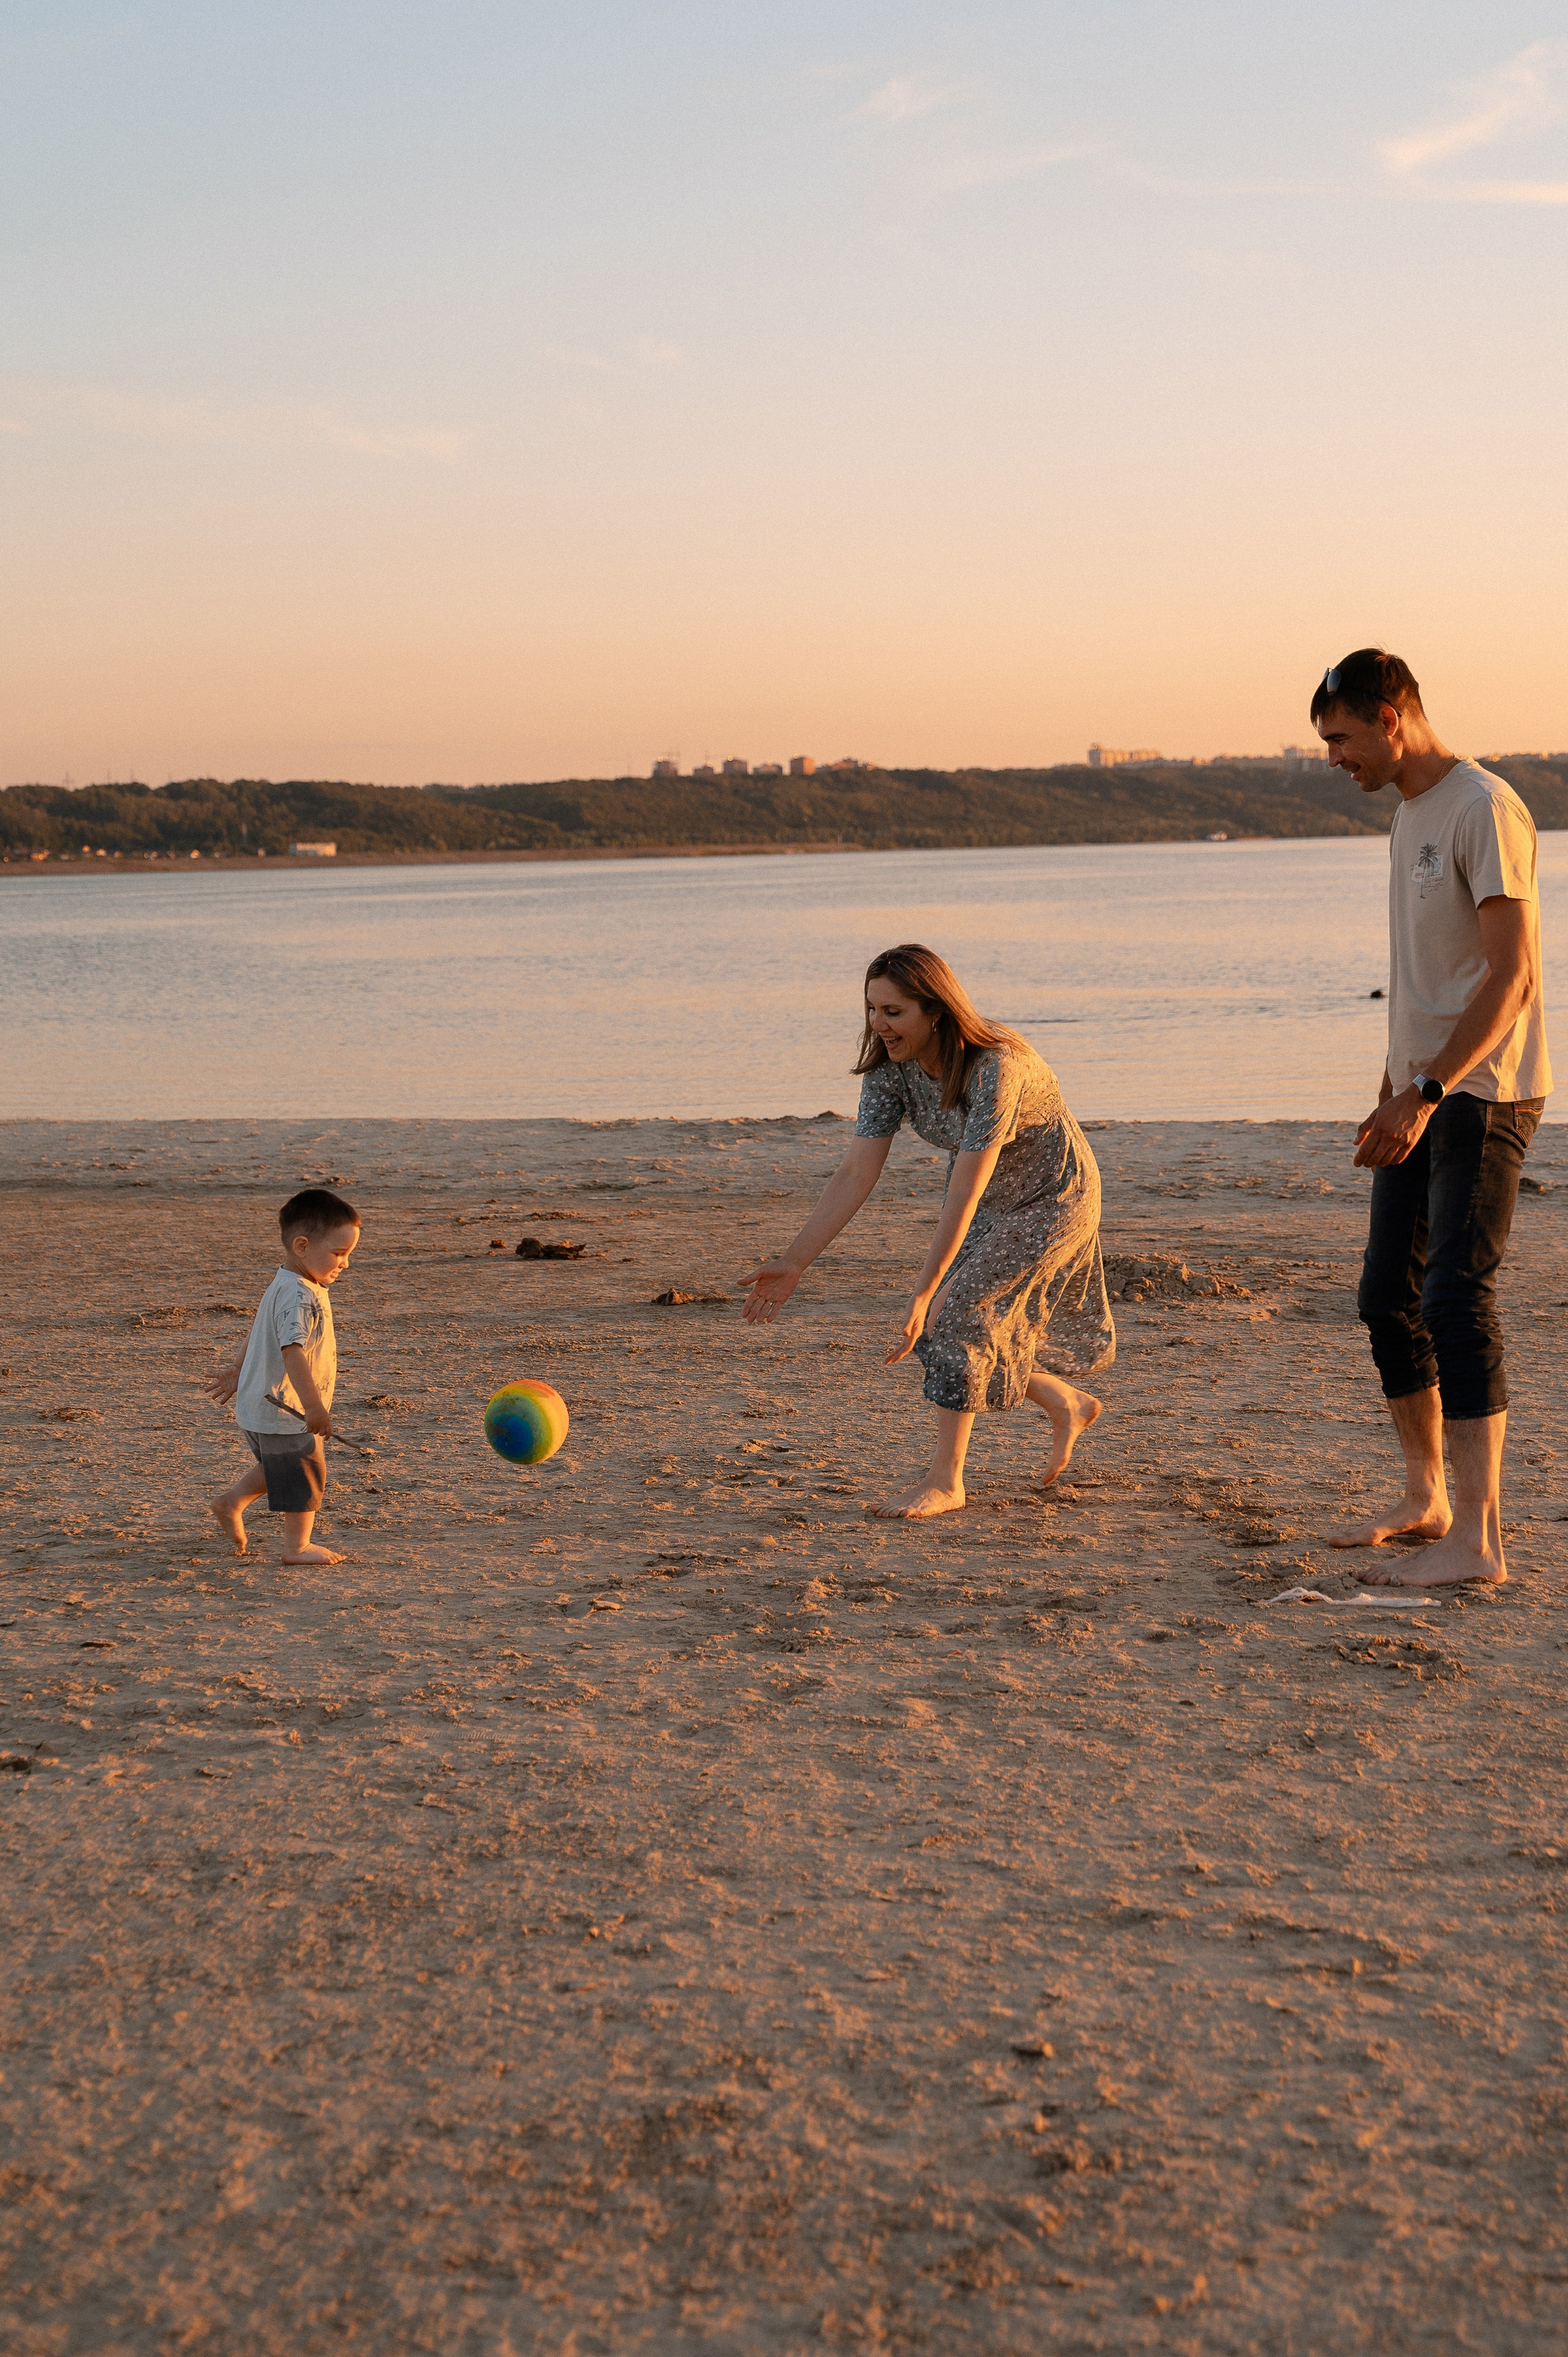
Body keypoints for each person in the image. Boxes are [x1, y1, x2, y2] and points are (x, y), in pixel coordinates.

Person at [1313, 648, 1551, 1586]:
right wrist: (1388, 1092)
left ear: (1391, 716)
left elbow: (1513, 978)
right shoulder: (1411, 815)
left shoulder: (1484, 807)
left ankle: (1480, 1545)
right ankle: (1427, 1499)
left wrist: (1427, 1092)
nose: (1335, 757)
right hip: (1417, 1095)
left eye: (1340, 738)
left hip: (1481, 1094)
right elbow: (1422, 979)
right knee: (1386, 1299)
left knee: (1456, 1299)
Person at [740, 945, 1115, 1517]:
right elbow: (857, 1170)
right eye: (871, 1009)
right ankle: (1062, 1400)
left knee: (950, 1312)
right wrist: (795, 1261)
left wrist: (926, 1288)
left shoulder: (996, 1066)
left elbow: (966, 1183)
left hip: (1052, 1197)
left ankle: (947, 1482)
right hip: (989, 1199)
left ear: (935, 1009)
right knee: (943, 1324)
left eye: (893, 1012)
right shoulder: (892, 1069)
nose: (877, 1024)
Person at [204, 1187, 361, 1565]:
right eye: (338, 1254)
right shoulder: (299, 1295)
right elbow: (292, 1351)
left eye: (349, 1255)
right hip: (285, 1408)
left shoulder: (285, 1282)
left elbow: (258, 1330)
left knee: (282, 1467)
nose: (345, 1264)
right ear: (303, 1246)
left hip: (260, 1404)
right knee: (307, 1471)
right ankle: (297, 1547)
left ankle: (232, 1502)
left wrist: (238, 1371)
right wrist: (314, 1407)